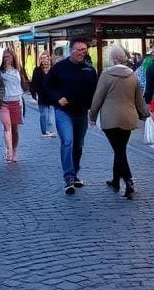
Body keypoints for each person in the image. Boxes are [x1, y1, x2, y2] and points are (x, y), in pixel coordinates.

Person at [89, 45, 149, 200]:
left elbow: (98, 97)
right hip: (128, 117)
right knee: (120, 149)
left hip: (110, 118)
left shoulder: (106, 75)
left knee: (119, 150)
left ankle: (128, 180)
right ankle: (116, 181)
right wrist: (144, 114)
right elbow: (139, 99)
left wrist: (93, 115)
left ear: (114, 58)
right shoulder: (133, 75)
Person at [44, 39, 97, 193]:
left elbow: (95, 92)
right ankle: (68, 178)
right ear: (71, 50)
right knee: (67, 141)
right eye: (79, 49)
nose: (82, 52)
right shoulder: (59, 68)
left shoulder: (89, 69)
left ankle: (74, 173)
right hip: (63, 111)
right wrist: (57, 98)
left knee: (78, 145)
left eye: (84, 49)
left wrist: (93, 112)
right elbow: (47, 86)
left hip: (81, 112)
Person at [0, 48, 28, 162]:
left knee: (15, 130)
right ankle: (9, 152)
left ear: (13, 58)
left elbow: (24, 85)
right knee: (7, 127)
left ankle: (14, 150)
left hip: (17, 101)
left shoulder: (18, 71)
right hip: (4, 102)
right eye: (5, 57)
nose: (7, 59)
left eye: (9, 56)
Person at [29, 52, 57, 138]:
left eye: (47, 59)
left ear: (50, 60)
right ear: (41, 60)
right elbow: (33, 83)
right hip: (41, 96)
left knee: (51, 116)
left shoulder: (53, 70)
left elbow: (58, 82)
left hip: (52, 96)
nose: (45, 61)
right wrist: (33, 93)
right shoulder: (37, 70)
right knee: (43, 114)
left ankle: (51, 130)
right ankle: (44, 131)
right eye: (43, 59)